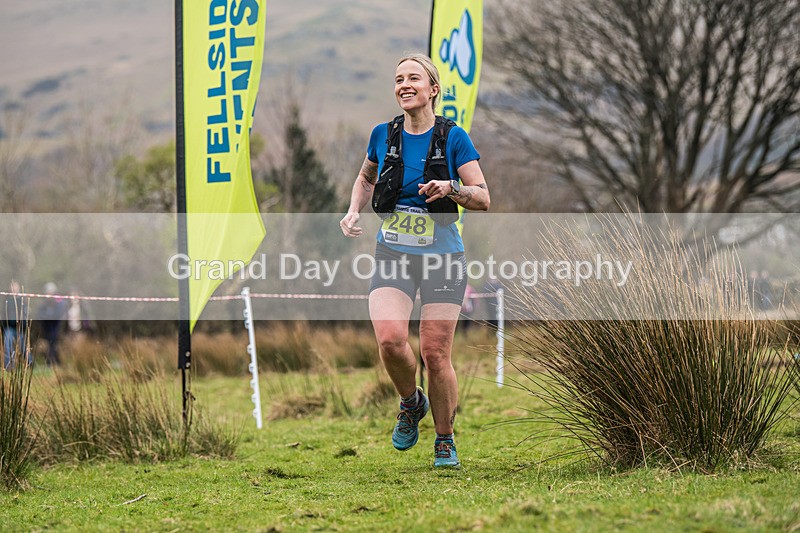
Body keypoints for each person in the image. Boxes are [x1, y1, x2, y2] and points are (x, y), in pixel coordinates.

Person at [340, 53, 490, 468]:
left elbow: (483, 197)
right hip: (393, 253)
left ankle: (445, 440)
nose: (404, 85)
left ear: (432, 89)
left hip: (444, 255)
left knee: (435, 353)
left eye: (413, 78)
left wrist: (452, 188)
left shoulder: (453, 137)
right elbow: (366, 177)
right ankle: (411, 402)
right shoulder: (382, 135)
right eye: (398, 79)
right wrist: (353, 210)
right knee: (390, 340)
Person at [37, 282, 67, 366]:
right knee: (51, 344)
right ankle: (54, 362)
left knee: (53, 343)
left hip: (56, 326)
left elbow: (59, 313)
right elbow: (40, 314)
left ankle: (51, 362)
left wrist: (49, 316)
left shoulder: (58, 300)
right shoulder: (44, 301)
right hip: (47, 326)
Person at [3, 281, 31, 368]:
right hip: (9, 327)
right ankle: (9, 366)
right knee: (7, 345)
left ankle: (29, 363)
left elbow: (26, 314)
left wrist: (23, 325)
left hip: (20, 328)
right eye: (12, 287)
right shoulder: (6, 300)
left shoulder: (23, 300)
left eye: (15, 287)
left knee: (23, 347)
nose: (13, 289)